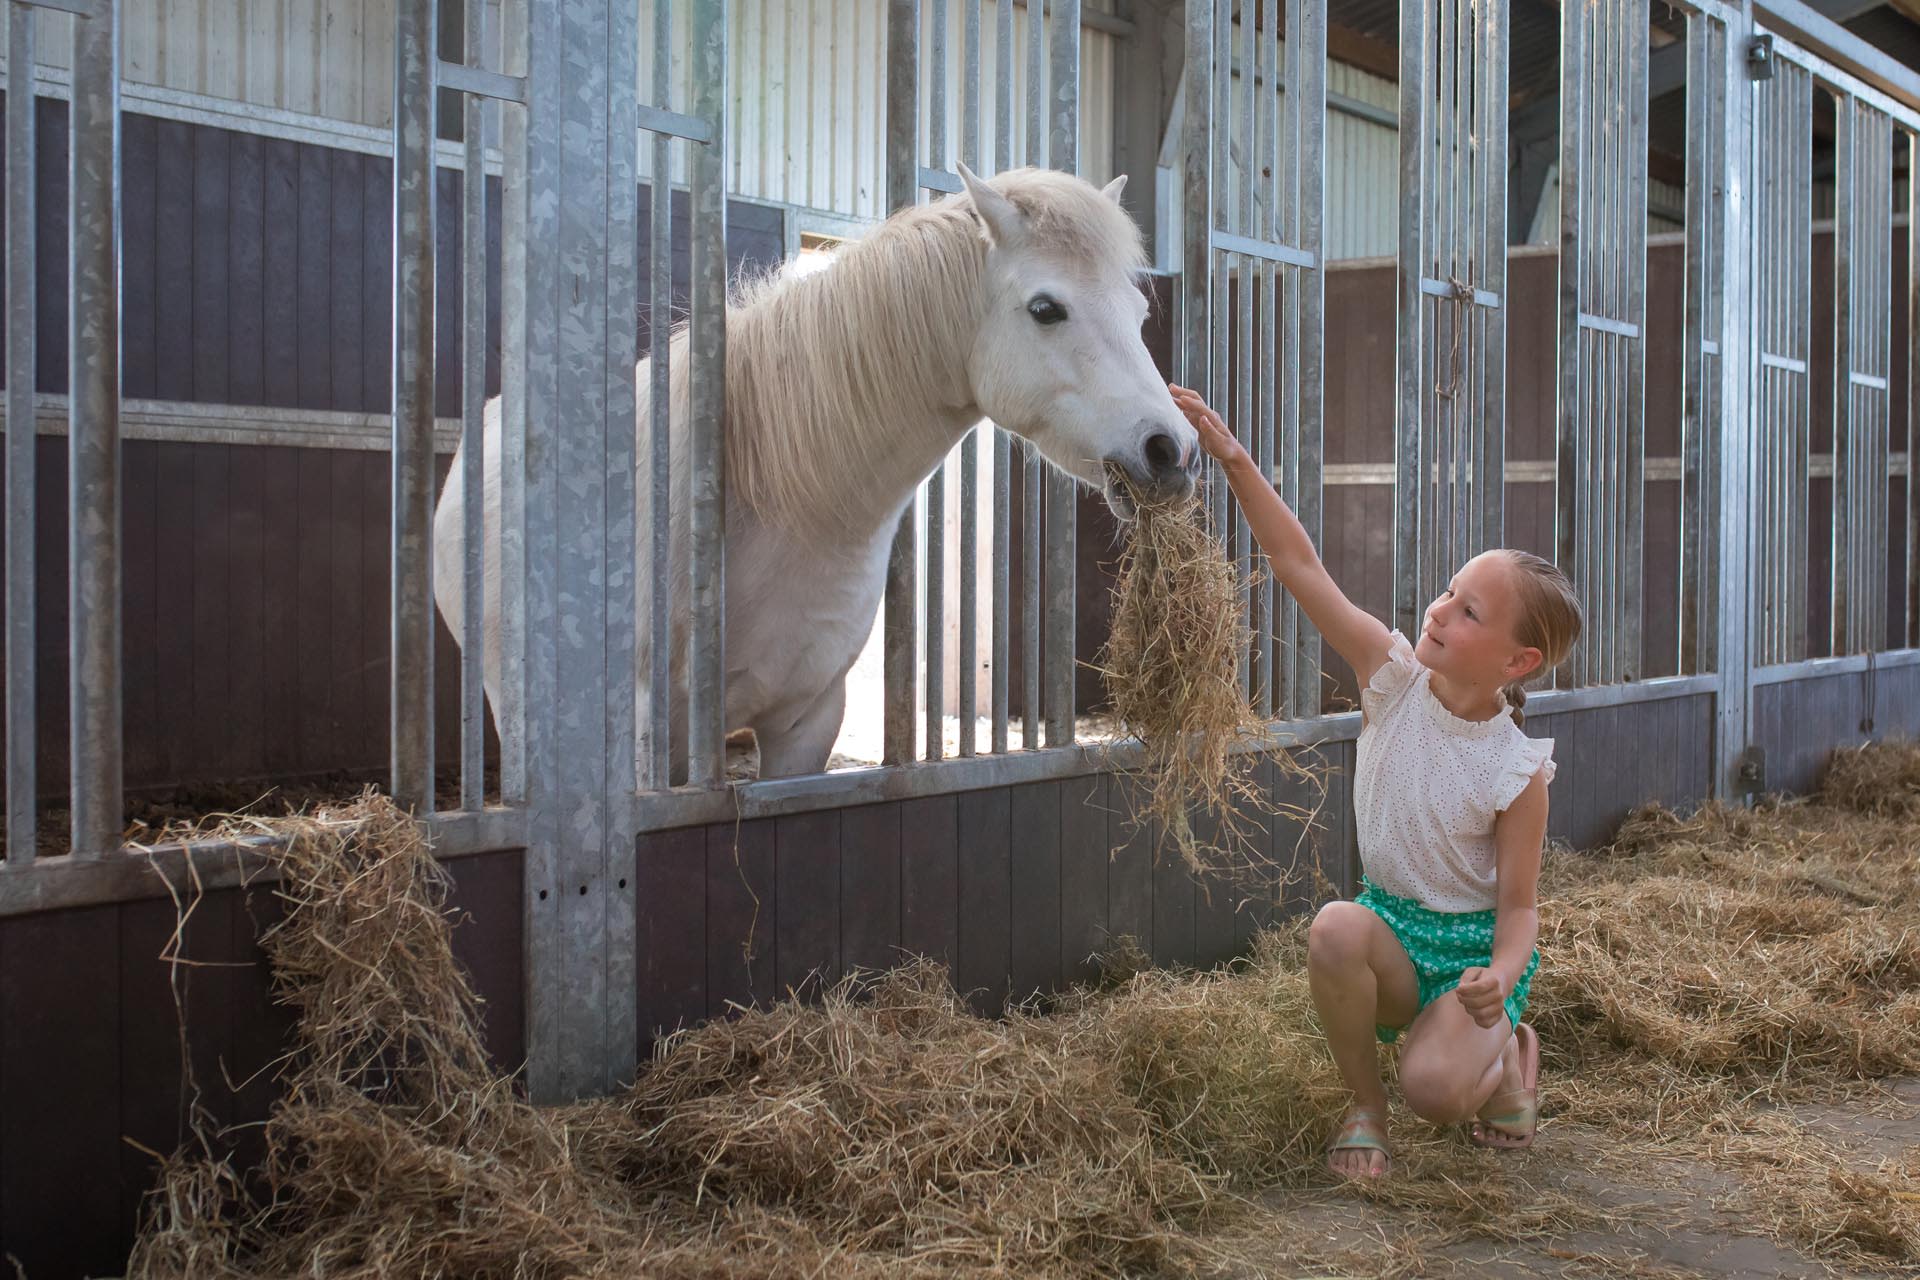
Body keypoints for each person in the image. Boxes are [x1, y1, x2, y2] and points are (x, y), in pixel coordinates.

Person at [1169, 383, 1585, 1180]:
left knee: (1437, 1090)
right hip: (1392, 930)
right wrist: (1236, 461)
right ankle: (1365, 1107)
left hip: (1470, 963)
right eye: (1449, 593)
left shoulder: (1517, 767)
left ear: (1517, 661)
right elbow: (1300, 566)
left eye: (1469, 613)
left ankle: (1503, 1059)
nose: (1439, 611)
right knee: (1332, 927)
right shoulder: (1391, 678)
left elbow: (1522, 906)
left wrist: (1499, 978)